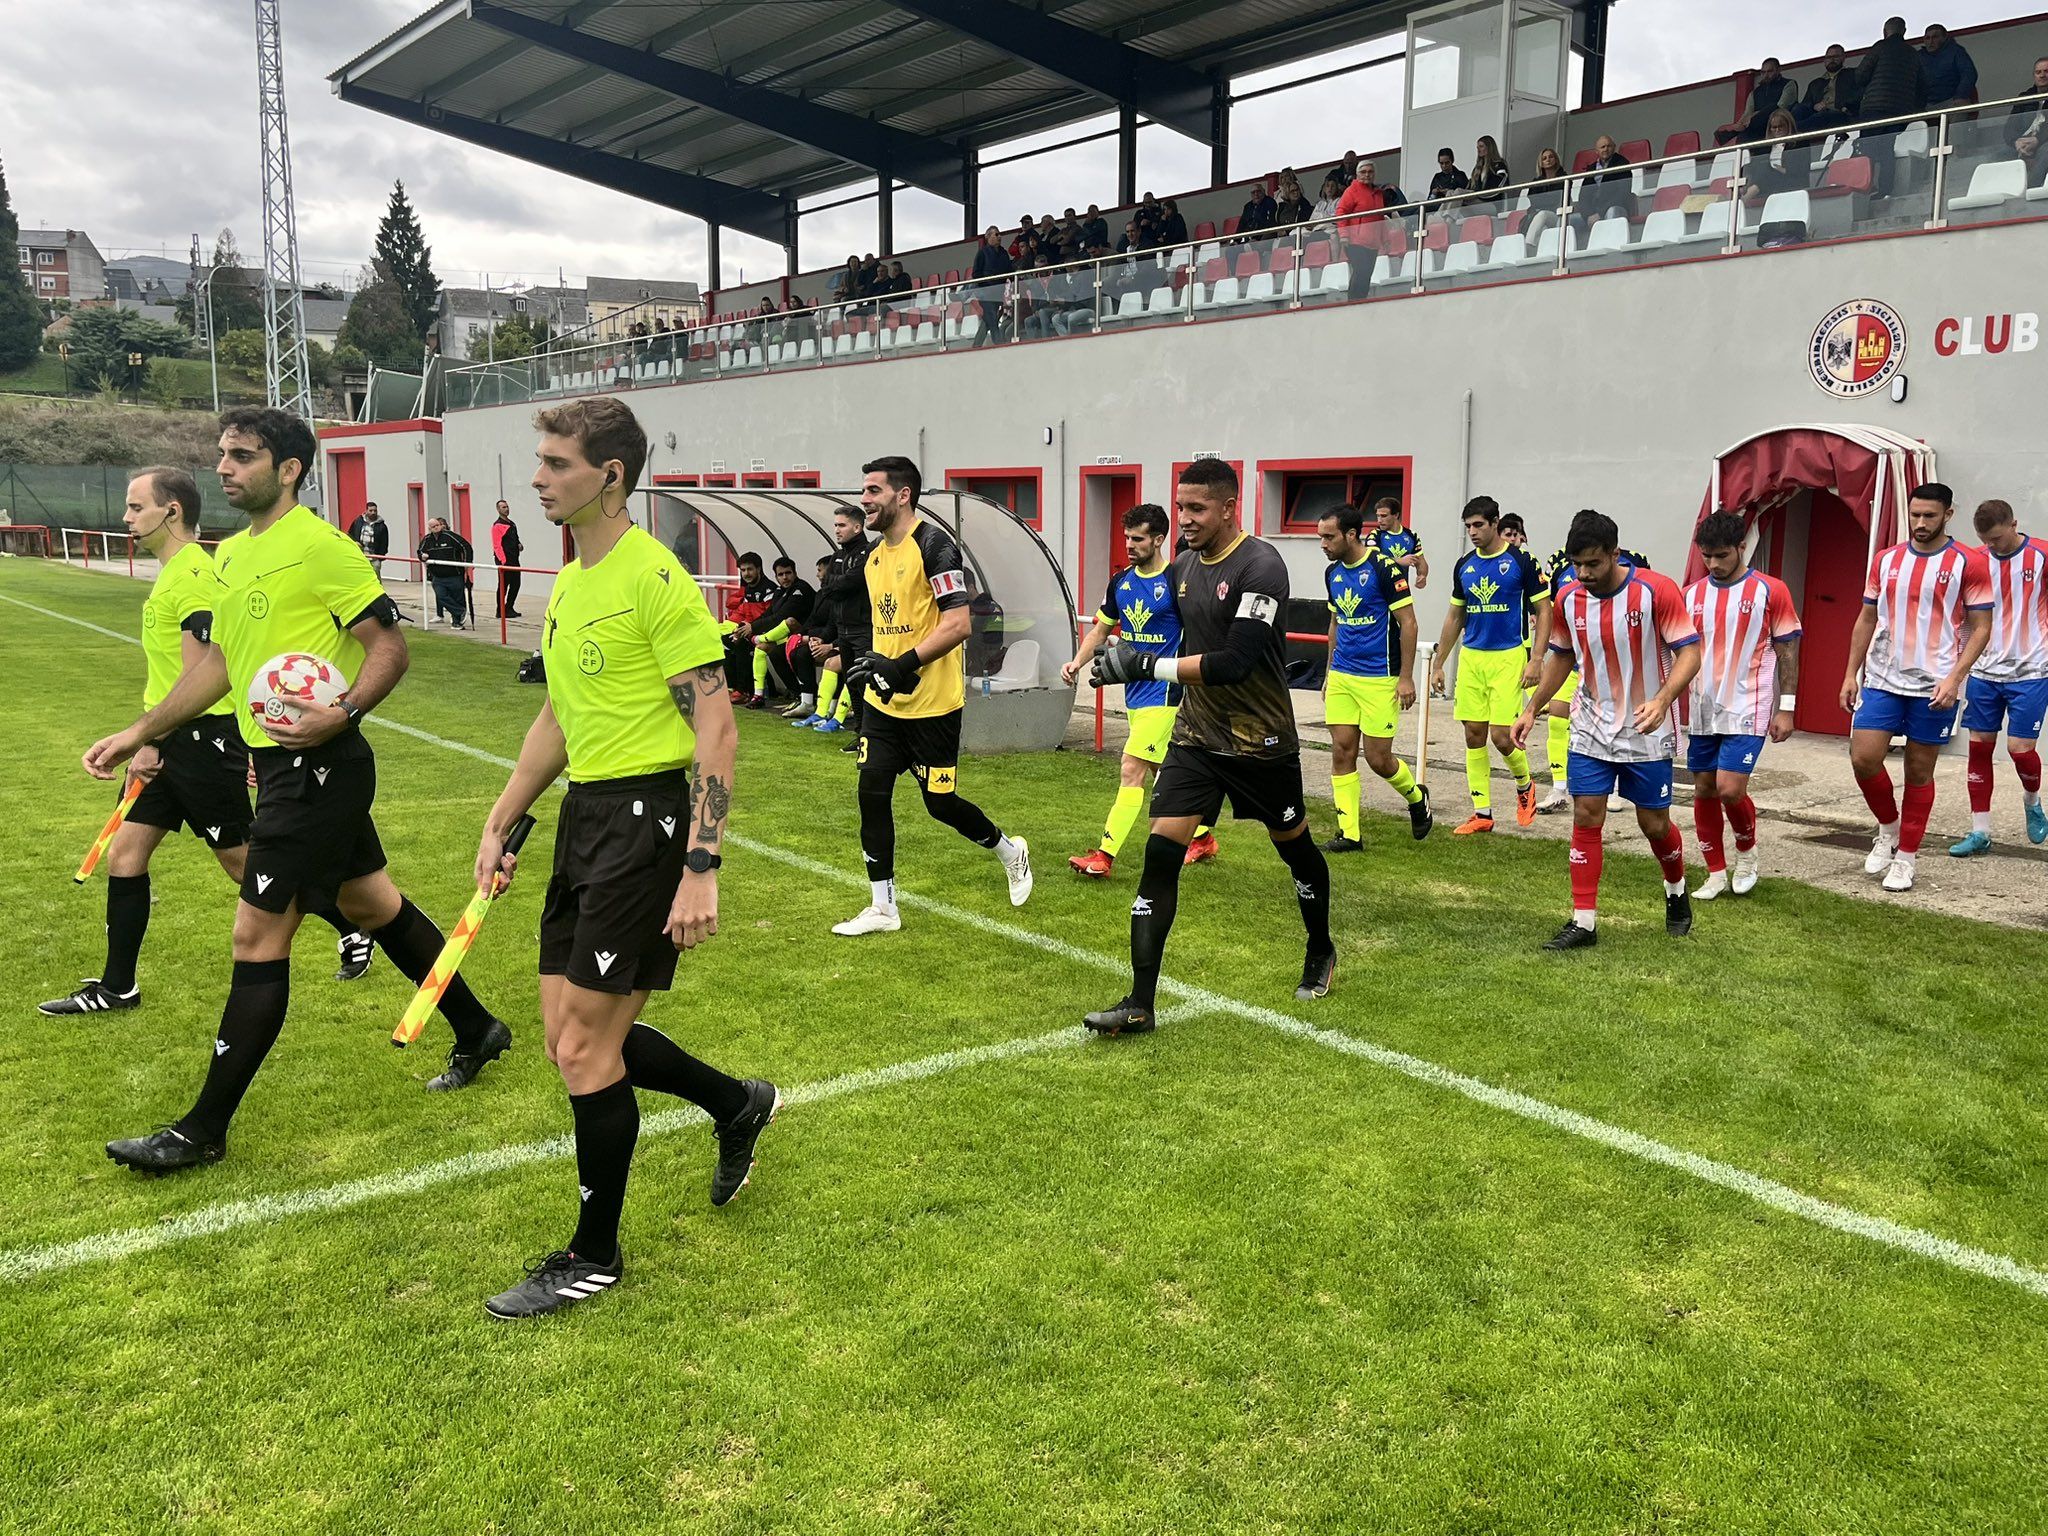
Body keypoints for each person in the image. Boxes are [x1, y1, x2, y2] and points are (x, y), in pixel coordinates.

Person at [86, 407, 514, 1173]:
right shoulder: (232, 557)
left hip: (320, 766)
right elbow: (218, 667)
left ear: (288, 470)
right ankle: (478, 1027)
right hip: (282, 766)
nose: (224, 467)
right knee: (369, 904)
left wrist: (341, 710)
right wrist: (140, 731)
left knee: (257, 936)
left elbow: (390, 648)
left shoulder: (323, 549)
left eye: (242, 456)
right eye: (221, 454)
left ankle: (201, 1130)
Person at [473, 395, 775, 1319]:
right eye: (540, 460)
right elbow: (560, 715)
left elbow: (716, 727)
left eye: (555, 463)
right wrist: (502, 817)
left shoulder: (656, 580)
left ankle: (593, 1254)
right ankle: (735, 1102)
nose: (537, 477)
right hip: (584, 817)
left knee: (578, 1045)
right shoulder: (568, 583)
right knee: (570, 1024)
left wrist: (701, 862)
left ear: (609, 475)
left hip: (648, 822)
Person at [40, 466, 373, 1017]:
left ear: (171, 512)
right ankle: (117, 985)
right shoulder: (175, 572)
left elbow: (201, 672)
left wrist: (151, 741)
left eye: (135, 507)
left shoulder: (196, 574)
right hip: (170, 738)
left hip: (197, 742)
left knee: (244, 863)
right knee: (126, 854)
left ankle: (356, 922)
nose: (125, 518)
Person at [1082, 459, 1336, 1033]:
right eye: (1181, 507)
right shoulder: (1182, 567)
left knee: (1294, 848)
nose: (1186, 519)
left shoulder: (1261, 565)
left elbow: (1234, 662)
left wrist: (1145, 664)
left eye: (1197, 508)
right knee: (1159, 856)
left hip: (1260, 743)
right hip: (1196, 736)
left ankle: (1320, 946)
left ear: (1229, 507)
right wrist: (1110, 655)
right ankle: (1140, 1002)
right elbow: (1143, 624)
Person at [831, 456, 1033, 936]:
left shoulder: (936, 546)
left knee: (940, 804)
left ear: (903, 495)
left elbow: (959, 623)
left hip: (934, 707)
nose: (865, 500)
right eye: (864, 491)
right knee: (871, 792)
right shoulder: (875, 557)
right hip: (885, 704)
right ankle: (883, 907)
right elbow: (887, 624)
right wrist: (870, 665)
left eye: (874, 490)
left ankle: (1009, 850)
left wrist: (901, 665)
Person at [1514, 511, 1700, 950]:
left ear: (1616, 554)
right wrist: (1532, 708)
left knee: (1653, 824)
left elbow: (1689, 653)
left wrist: (1663, 699)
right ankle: (1584, 922)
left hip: (1646, 729)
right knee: (1586, 815)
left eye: (1593, 564)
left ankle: (1675, 892)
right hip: (1591, 727)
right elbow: (1561, 656)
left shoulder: (1657, 591)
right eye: (1577, 564)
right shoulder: (1569, 599)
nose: (1584, 573)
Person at [1841, 482, 1993, 892]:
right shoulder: (1886, 559)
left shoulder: (1969, 562)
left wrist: (1955, 678)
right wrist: (1850, 673)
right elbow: (1866, 618)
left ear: (1948, 514)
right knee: (1864, 759)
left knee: (1918, 770)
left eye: (1929, 515)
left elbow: (1981, 627)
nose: (1920, 523)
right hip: (1883, 679)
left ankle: (1906, 858)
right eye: (1915, 515)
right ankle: (1888, 830)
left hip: (1935, 686)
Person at [1065, 503, 1217, 876]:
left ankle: (1104, 856)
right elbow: (1102, 629)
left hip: (1166, 693)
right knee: (1162, 770)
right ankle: (1203, 838)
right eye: (1126, 538)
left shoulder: (1177, 580)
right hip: (1133, 693)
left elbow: (1200, 631)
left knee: (1131, 768)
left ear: (1159, 539)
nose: (1129, 545)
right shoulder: (1122, 582)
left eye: (1138, 538)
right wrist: (1076, 661)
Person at [1682, 514, 1803, 900]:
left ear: (1741, 548)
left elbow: (1787, 651)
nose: (1713, 564)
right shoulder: (1691, 595)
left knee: (1729, 789)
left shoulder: (1771, 590)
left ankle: (1747, 853)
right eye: (1707, 557)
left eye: (1721, 555)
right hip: (1703, 706)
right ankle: (1715, 873)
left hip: (1749, 703)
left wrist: (1787, 708)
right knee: (1703, 788)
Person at [1429, 496, 1551, 834]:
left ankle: (1525, 786)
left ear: (1495, 523)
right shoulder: (1464, 565)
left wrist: (1537, 659)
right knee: (1472, 734)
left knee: (1501, 736)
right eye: (1468, 526)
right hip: (1472, 657)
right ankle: (1482, 813)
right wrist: (1440, 663)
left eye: (1479, 525)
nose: (1473, 532)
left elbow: (1544, 610)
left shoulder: (1521, 561)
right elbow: (1456, 615)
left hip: (1508, 656)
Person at [1317, 503, 1432, 853]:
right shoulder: (1332, 573)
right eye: (1320, 536)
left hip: (1380, 677)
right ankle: (1349, 834)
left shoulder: (1383, 568)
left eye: (1328, 536)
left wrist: (1406, 678)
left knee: (1378, 758)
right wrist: (1327, 671)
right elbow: (1335, 624)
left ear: (1351, 534)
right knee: (1341, 750)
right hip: (1342, 675)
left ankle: (1416, 797)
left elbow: (1408, 623)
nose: (1322, 544)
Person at [1950, 499, 2048, 857]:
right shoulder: (1974, 561)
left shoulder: (2041, 556)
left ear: (2014, 524)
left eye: (1996, 538)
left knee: (2020, 751)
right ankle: (1980, 831)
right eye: (1985, 540)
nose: (1991, 546)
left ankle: (2032, 801)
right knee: (1979, 747)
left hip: (2031, 671)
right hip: (1984, 672)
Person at [794, 507, 874, 741]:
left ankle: (871, 735)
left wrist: (839, 584)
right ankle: (860, 734)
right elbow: (830, 585)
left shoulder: (866, 553)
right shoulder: (838, 555)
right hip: (843, 629)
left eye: (842, 525)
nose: (836, 530)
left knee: (864, 683)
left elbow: (853, 582)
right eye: (836, 525)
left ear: (857, 527)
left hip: (862, 629)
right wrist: (840, 584)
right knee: (852, 681)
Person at [1855, 16, 1929, 199]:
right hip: (1900, 110)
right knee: (1887, 148)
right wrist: (1915, 108)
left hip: (1874, 107)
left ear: (1884, 31)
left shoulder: (1879, 47)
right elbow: (1924, 86)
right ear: (1904, 31)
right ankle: (1885, 190)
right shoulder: (1913, 54)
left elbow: (1860, 76)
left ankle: (1865, 188)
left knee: (1868, 150)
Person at [743, 556, 815, 708]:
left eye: (788, 573)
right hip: (788, 638)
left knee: (788, 623)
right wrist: (750, 626)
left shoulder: (801, 589)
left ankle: (806, 696)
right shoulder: (780, 592)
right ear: (775, 576)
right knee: (763, 649)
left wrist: (755, 632)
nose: (784, 577)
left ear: (794, 573)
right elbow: (769, 615)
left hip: (807, 637)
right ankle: (759, 695)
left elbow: (782, 618)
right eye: (780, 575)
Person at [1335, 161, 1405, 299]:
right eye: (1363, 172)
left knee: (1367, 274)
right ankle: (1353, 301)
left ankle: (1361, 300)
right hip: (1355, 241)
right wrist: (1343, 234)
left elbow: (1380, 218)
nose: (1367, 174)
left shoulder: (1378, 194)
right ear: (1357, 174)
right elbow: (1341, 212)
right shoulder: (1351, 191)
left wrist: (1385, 239)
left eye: (1370, 172)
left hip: (1372, 243)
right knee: (1361, 270)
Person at [717, 552, 776, 703]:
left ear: (759, 569)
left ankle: (743, 690)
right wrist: (740, 629)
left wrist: (747, 630)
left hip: (769, 632)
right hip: (752, 630)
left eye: (749, 569)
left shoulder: (769, 589)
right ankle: (734, 687)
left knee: (741, 645)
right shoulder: (748, 589)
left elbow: (770, 617)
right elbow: (747, 615)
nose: (746, 574)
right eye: (743, 570)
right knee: (726, 641)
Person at [1718, 58, 1797, 144]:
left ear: (1778, 70)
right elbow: (1747, 113)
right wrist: (1739, 125)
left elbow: (1782, 106)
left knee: (1771, 110)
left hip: (1779, 122)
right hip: (1757, 126)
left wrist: (1756, 115)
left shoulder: (1789, 84)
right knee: (1742, 135)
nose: (1766, 75)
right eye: (1763, 72)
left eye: (1770, 71)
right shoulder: (1755, 92)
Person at [1572, 136, 1635, 237]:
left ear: (1614, 147)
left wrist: (1600, 213)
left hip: (1615, 208)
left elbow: (1623, 193)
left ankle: (1610, 243)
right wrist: (1589, 215)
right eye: (1602, 147)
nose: (1606, 149)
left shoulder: (1622, 163)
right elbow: (1583, 196)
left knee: (1612, 211)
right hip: (1593, 212)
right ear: (1596, 151)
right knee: (1569, 221)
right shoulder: (1591, 169)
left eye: (1609, 146)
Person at [417, 515, 471, 629]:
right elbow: (420, 552)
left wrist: (467, 563)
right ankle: (460, 611)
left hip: (455, 574)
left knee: (458, 598)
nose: (436, 528)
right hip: (438, 576)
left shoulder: (450, 536)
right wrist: (422, 556)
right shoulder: (427, 539)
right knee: (441, 596)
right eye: (433, 526)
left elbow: (466, 546)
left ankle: (457, 623)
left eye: (437, 525)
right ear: (429, 528)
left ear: (441, 525)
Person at [1745, 109, 1812, 198]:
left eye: (1781, 126)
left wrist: (1779, 170)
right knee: (1763, 171)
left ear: (1789, 126)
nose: (1777, 130)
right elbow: (1755, 168)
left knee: (1767, 172)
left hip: (1791, 181)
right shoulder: (1763, 147)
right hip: (1767, 183)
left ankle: (1744, 199)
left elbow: (1801, 169)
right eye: (1774, 127)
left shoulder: (1799, 142)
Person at [1798, 43, 1863, 130]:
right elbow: (1806, 104)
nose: (1832, 60)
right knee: (1799, 109)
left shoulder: (1853, 74)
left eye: (1836, 56)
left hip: (1842, 114)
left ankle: (1794, 130)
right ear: (1824, 61)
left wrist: (1845, 107)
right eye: (1828, 57)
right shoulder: (1815, 83)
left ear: (1843, 58)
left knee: (1823, 116)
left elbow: (1860, 95)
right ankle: (1791, 128)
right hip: (1817, 114)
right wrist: (1815, 106)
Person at [1368, 496, 1427, 588]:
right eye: (1378, 516)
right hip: (1378, 590)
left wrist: (1422, 575)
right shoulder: (1375, 535)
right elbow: (1373, 560)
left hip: (1401, 589)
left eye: (1383, 516)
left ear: (1396, 515)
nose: (1379, 520)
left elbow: (1420, 561)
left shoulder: (1411, 535)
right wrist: (1400, 561)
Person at [969, 226, 1013, 347]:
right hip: (986, 292)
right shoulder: (982, 252)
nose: (999, 237)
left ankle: (976, 345)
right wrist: (984, 286)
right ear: (988, 237)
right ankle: (998, 343)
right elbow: (976, 273)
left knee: (988, 320)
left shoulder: (1003, 253)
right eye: (996, 234)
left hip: (998, 292)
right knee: (992, 318)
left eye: (1000, 234)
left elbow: (1009, 270)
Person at [1920, 23, 1978, 110]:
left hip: (1951, 100)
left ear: (1944, 38)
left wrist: (1961, 96)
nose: (1931, 41)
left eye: (1935, 37)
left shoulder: (1956, 51)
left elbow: (1969, 73)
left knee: (1959, 109)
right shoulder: (1919, 57)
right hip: (1925, 104)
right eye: (1927, 38)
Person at [2009, 57, 2048, 179]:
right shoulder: (2024, 97)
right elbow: (2009, 127)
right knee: (1994, 155)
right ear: (2034, 76)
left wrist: (2037, 140)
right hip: (2022, 143)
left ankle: (2030, 191)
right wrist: (2016, 142)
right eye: (2038, 72)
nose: (2042, 75)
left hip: (2044, 142)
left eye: (2046, 71)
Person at [1523, 147, 1570, 248]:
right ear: (1541, 162)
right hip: (1541, 216)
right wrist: (1547, 199)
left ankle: (1528, 246)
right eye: (1544, 158)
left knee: (1542, 214)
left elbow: (1558, 198)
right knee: (1542, 227)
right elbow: (1533, 199)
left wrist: (1544, 200)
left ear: (1556, 159)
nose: (1548, 160)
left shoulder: (1564, 178)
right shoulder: (1536, 181)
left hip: (1557, 216)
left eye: (1551, 157)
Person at [491, 498, 524, 619]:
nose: (506, 509)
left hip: (514, 559)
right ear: (498, 509)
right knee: (503, 586)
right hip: (505, 560)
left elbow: (515, 538)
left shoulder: (511, 524)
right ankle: (500, 610)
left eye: (507, 507)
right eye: (503, 507)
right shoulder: (497, 525)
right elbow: (496, 545)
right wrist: (502, 561)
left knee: (516, 584)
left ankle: (509, 607)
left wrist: (519, 544)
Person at [1424, 147, 1471, 219]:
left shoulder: (1460, 175)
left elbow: (1465, 196)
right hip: (1437, 206)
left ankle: (1442, 218)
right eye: (1441, 163)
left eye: (1447, 163)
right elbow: (1430, 200)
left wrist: (1448, 191)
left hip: (1456, 209)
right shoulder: (1437, 177)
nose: (1444, 166)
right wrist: (1434, 193)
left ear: (1452, 161)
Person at [347, 501, 389, 576]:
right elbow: (350, 534)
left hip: (374, 557)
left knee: (375, 577)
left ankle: (377, 588)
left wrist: (380, 557)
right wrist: (355, 543)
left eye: (375, 511)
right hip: (360, 556)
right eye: (370, 510)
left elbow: (384, 543)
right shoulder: (358, 521)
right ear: (366, 511)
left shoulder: (382, 526)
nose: (373, 512)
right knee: (360, 576)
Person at [1468, 136, 1511, 206]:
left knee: (1459, 193)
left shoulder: (1499, 165)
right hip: (1478, 200)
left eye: (1481, 146)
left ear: (1489, 148)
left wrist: (1476, 193)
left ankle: (1446, 216)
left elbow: (1500, 185)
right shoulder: (1478, 168)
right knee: (1451, 193)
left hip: (1491, 203)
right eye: (1477, 147)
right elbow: (1470, 186)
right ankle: (1446, 216)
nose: (1478, 150)